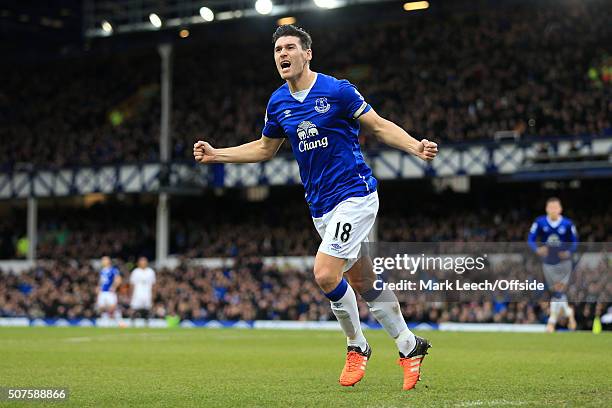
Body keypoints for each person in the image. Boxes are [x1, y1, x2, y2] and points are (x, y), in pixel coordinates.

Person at [193, 25, 438, 390]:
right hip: (321, 209)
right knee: (363, 282)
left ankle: (357, 347)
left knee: (325, 274)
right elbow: (264, 149)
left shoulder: (336, 90)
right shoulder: (277, 102)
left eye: (290, 47)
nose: (282, 54)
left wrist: (414, 146)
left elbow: (378, 125)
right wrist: (218, 155)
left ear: (308, 53)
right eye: (277, 50)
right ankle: (409, 344)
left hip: (355, 195)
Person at [528, 197, 578, 332]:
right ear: (546, 209)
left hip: (564, 263)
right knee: (557, 293)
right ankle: (569, 316)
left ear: (560, 209)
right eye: (551, 207)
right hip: (548, 263)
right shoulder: (540, 222)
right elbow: (530, 239)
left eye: (556, 207)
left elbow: (575, 242)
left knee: (558, 291)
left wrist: (569, 252)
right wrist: (537, 250)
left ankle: (551, 323)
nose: (553, 210)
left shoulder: (567, 224)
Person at [129, 256, 156, 325]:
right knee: (134, 309)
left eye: (144, 261)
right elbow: (132, 285)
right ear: (139, 263)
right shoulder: (135, 272)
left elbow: (153, 285)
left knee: (147, 310)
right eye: (141, 261)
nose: (143, 263)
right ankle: (132, 323)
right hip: (137, 294)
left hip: (147, 294)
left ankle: (146, 324)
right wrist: (131, 295)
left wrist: (153, 295)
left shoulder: (150, 272)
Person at [96, 256, 122, 321]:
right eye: (102, 260)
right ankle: (104, 320)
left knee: (112, 308)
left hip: (110, 292)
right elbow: (101, 281)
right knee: (101, 307)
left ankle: (118, 320)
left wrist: (114, 287)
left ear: (108, 261)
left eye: (104, 260)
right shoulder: (102, 271)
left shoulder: (113, 270)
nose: (102, 261)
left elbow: (118, 279)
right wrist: (98, 287)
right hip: (102, 291)